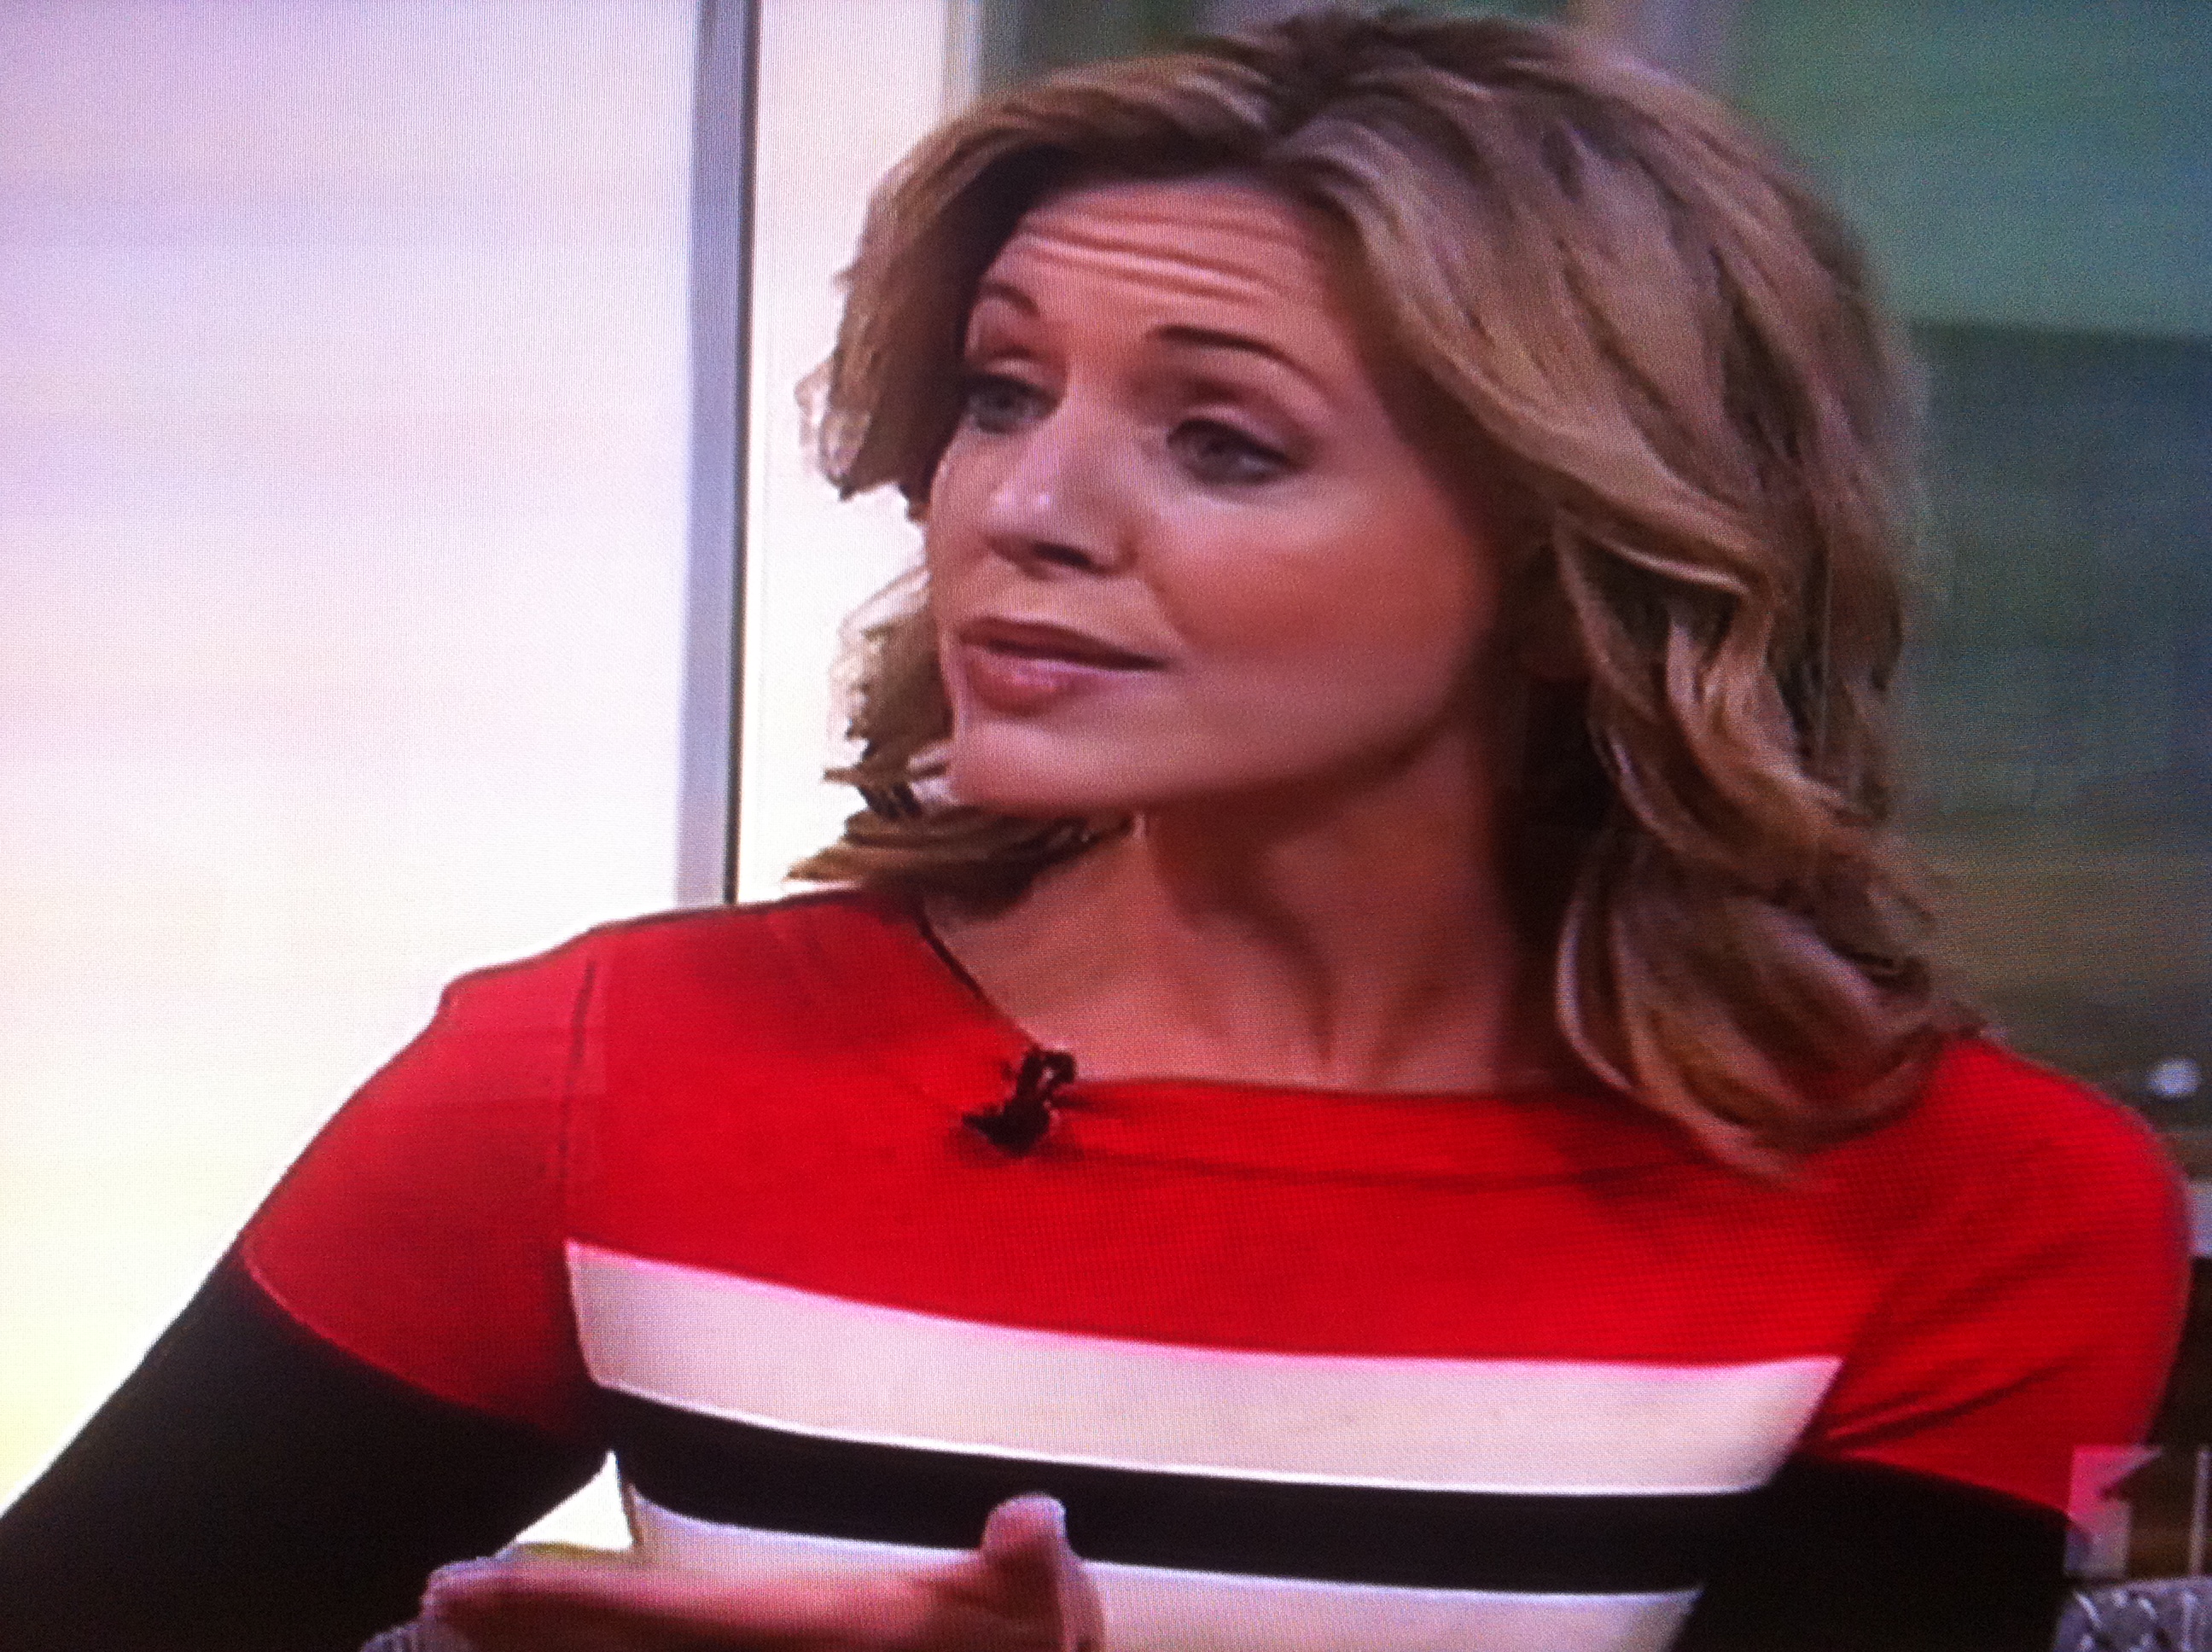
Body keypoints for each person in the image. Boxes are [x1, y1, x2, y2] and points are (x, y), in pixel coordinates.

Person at [0, 10, 2189, 1651]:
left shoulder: (1978, 1212)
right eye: (1002, 389)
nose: (1021, 507)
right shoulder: (594, 1077)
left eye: (1223, 439)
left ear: (1570, 559)